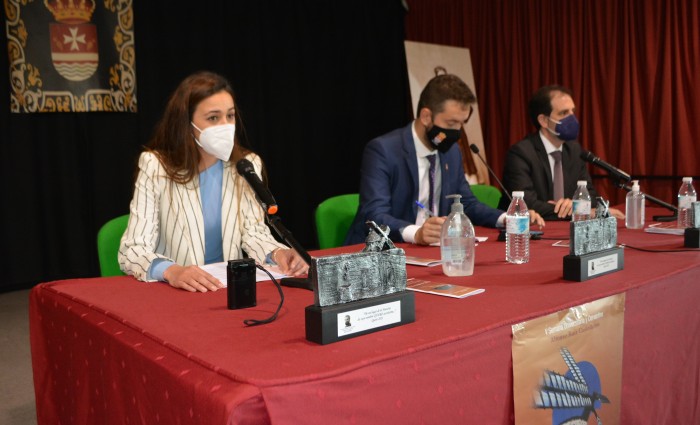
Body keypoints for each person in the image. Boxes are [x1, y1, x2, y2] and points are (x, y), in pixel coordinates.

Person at [119, 71, 308, 292]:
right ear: (187, 123)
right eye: (213, 118)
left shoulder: (246, 165)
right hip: (175, 292)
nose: (225, 125)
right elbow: (132, 249)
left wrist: (278, 253)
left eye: (230, 116)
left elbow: (254, 233)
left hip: (228, 290)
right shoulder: (155, 166)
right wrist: (172, 271)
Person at [344, 74, 544, 245]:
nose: (457, 131)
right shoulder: (383, 150)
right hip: (385, 251)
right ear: (426, 116)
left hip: (435, 251)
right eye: (451, 123)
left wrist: (507, 218)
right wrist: (417, 233)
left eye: (461, 124)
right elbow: (374, 214)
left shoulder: (451, 151)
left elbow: (467, 203)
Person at [500, 85, 625, 220]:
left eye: (572, 111)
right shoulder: (521, 153)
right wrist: (579, 210)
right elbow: (526, 204)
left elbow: (591, 197)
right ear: (543, 120)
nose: (572, 118)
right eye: (564, 113)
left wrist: (573, 206)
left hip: (566, 232)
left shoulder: (574, 151)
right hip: (527, 232)